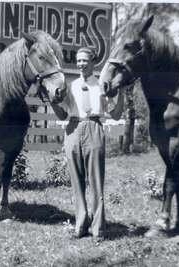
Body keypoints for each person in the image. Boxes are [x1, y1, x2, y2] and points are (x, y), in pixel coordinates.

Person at [51, 47, 124, 239]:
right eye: (79, 60)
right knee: (76, 181)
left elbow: (115, 115)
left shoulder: (102, 85)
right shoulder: (71, 86)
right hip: (73, 129)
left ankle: (98, 227)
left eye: (85, 60)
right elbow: (63, 114)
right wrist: (52, 102)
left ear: (93, 63)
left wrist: (122, 93)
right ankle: (81, 224)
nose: (81, 64)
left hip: (94, 128)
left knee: (96, 180)